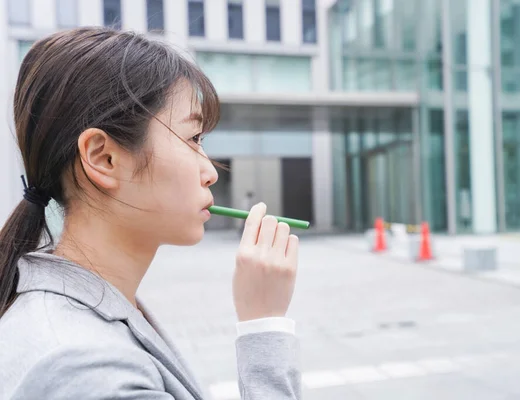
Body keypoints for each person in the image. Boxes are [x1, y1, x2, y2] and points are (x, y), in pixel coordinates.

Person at [0, 28, 301, 399]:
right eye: (192, 139)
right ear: (103, 158)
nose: (209, 172)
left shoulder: (83, 313)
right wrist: (264, 324)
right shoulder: (82, 367)